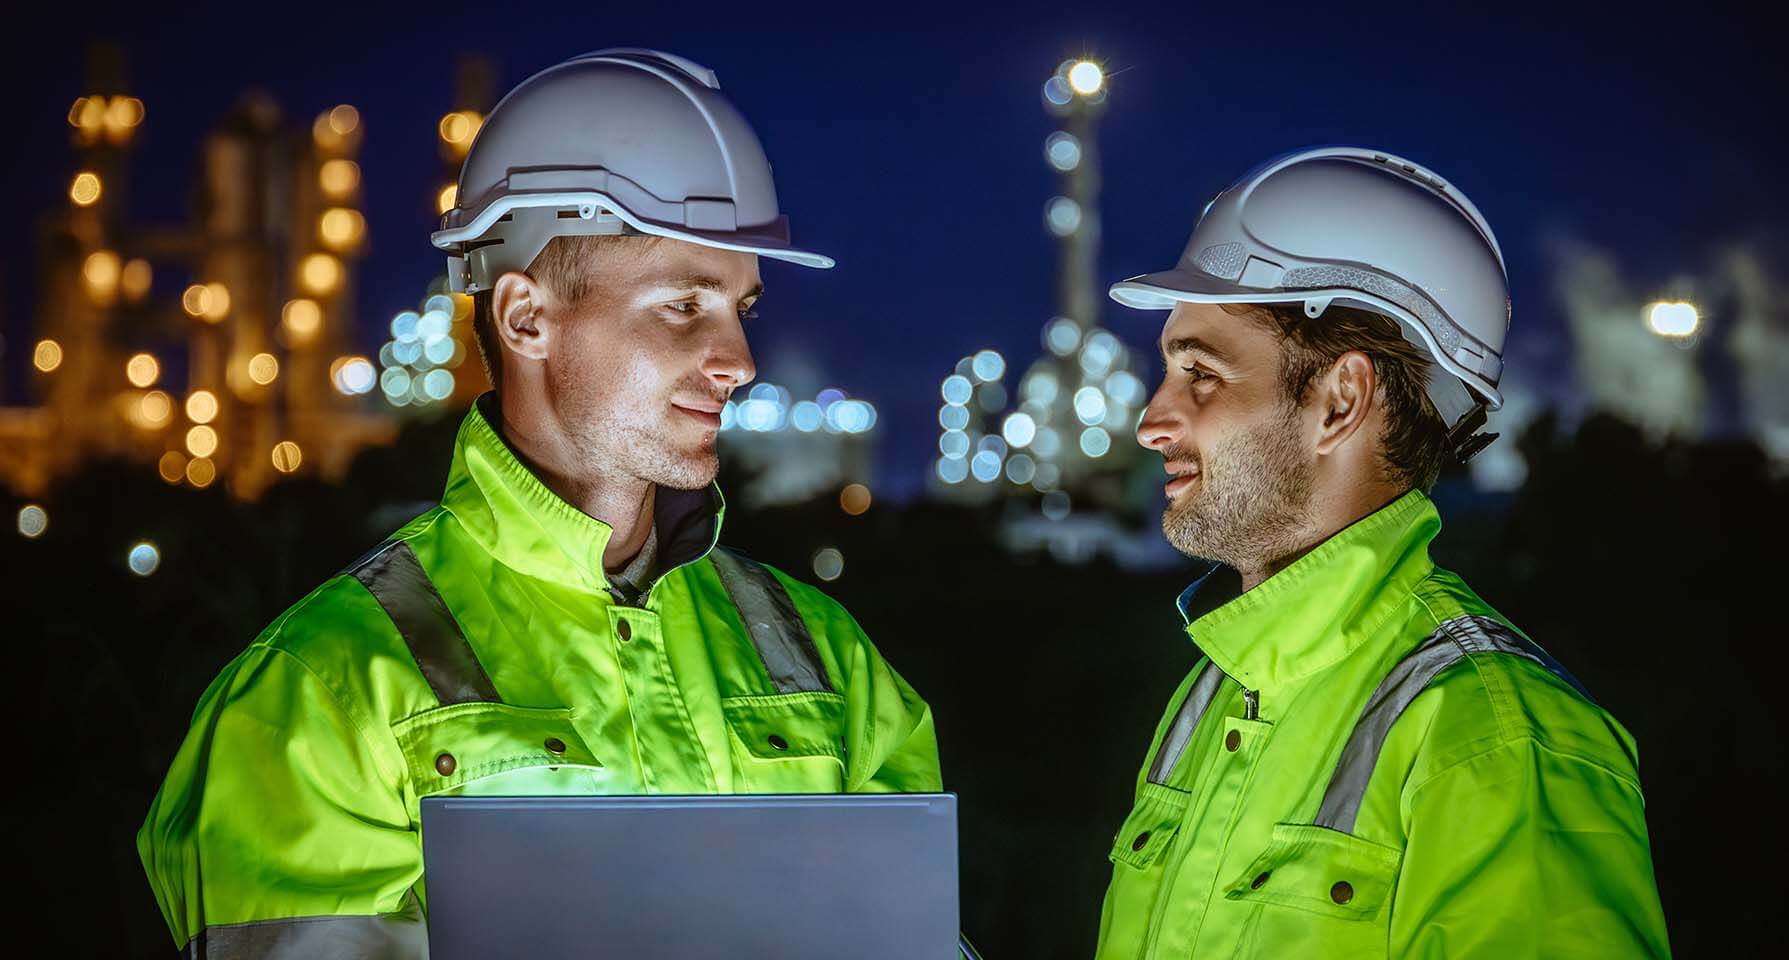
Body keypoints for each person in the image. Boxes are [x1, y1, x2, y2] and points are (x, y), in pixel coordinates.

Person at [138, 49, 940, 955]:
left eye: (741, 310)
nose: (738, 362)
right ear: (525, 317)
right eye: (683, 306)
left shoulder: (830, 658)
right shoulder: (320, 694)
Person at [1093, 146, 1670, 957]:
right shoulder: (1215, 689)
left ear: (1339, 401)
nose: (1152, 421)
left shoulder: (1497, 737)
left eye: (1200, 374)